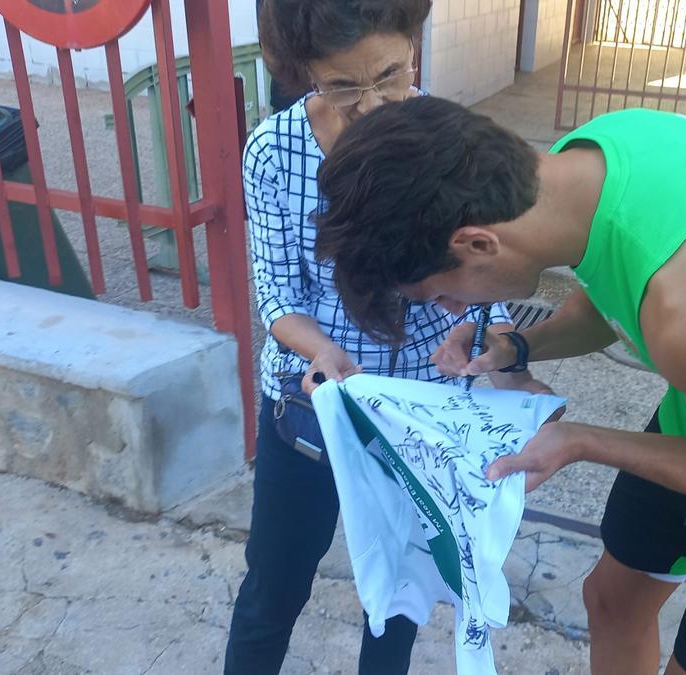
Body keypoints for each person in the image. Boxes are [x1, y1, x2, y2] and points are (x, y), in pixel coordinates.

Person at [310, 96, 686, 674]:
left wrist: (580, 442)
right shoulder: (589, 161)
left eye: (438, 293)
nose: (447, 308)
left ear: (476, 243)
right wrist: (518, 346)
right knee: (611, 600)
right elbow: (616, 292)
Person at [225, 4, 549, 674]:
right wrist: (322, 351)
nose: (371, 105)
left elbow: (490, 275)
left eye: (390, 75)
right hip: (313, 407)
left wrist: (491, 336)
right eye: (343, 86)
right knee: (273, 587)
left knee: (398, 600)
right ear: (304, 72)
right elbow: (278, 297)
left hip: (419, 417)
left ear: (413, 46)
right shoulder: (273, 153)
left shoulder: (449, 143)